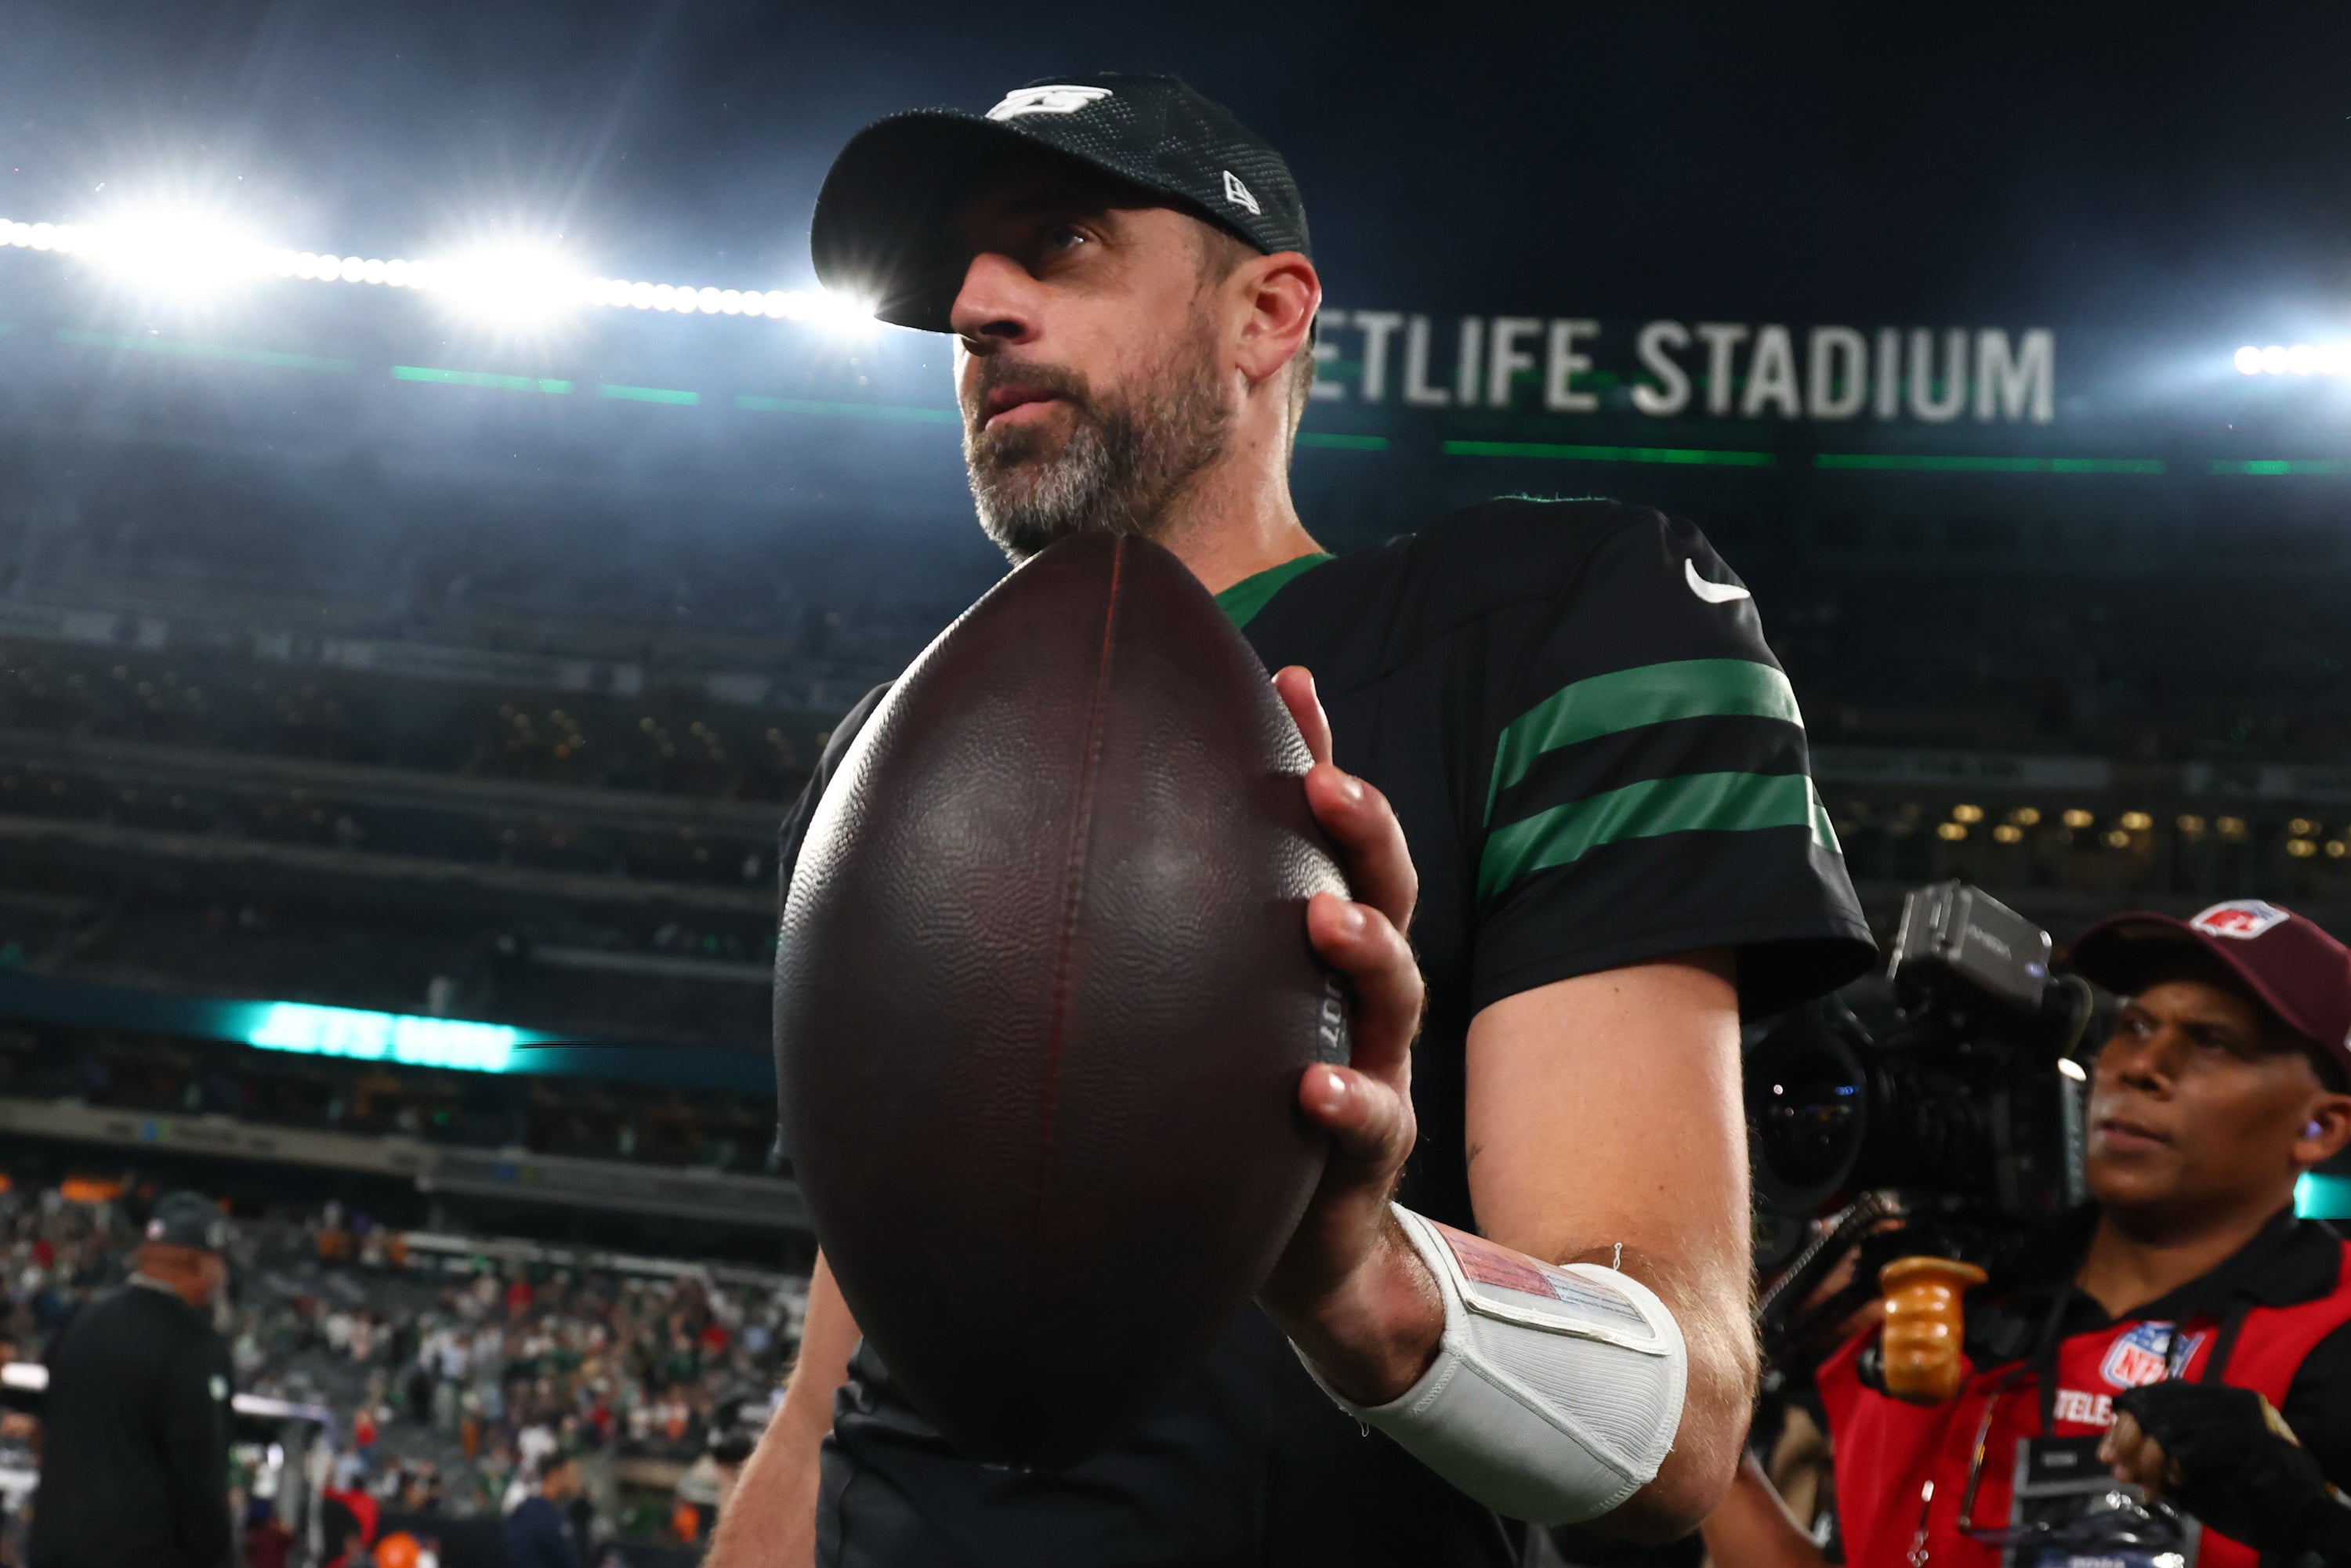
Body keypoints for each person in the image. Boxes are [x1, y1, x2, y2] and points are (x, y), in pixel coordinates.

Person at [712, 71, 1875, 1568]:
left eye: (1058, 243)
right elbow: (833, 1393)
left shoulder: (1556, 627)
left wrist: (1369, 1286)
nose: (976, 309)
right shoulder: (900, 740)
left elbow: (1680, 1415)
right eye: (957, 280)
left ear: (1267, 314)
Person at [1702, 898, 2351, 1568]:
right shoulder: (1932, 1288)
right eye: (2134, 1024)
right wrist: (1702, 1428)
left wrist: (2313, 1522)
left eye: (2211, 1041)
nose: (2139, 1065)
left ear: (2322, 1126)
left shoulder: (2334, 1325)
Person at [28, 1190, 236, 1568]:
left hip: (56, 1549)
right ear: (199, 1262)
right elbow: (199, 1477)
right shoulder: (191, 1343)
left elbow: (46, 1431)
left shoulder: (83, 1320)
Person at [504, 1454, 582, 1568]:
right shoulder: (538, 1513)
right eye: (572, 1476)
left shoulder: (551, 1511)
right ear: (555, 1475)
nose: (576, 1482)